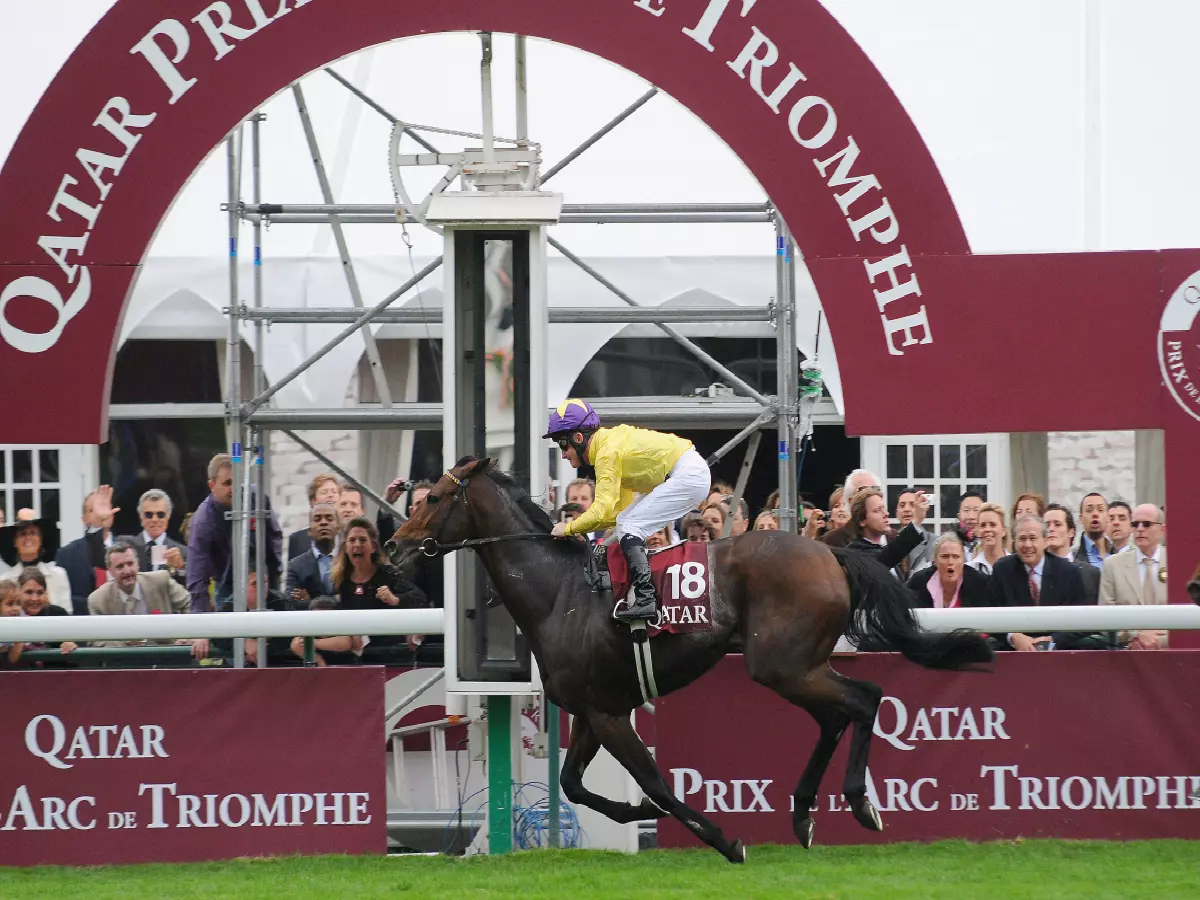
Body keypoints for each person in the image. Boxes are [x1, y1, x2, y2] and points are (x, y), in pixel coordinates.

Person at [545, 399, 711, 621]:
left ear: (578, 437)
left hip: (687, 474)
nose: (563, 454)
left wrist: (568, 528)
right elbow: (614, 515)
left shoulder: (606, 453)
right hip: (684, 472)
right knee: (626, 522)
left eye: (562, 444)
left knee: (632, 526)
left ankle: (646, 598)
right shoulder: (607, 447)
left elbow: (602, 511)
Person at [987, 515, 1089, 651]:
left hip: (1059, 655)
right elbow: (991, 615)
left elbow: (1082, 619)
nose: (1027, 545)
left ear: (1045, 541)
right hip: (1014, 654)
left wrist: (1053, 640)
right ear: (1014, 542)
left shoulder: (1068, 572)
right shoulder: (1002, 569)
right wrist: (1013, 636)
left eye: (1033, 538)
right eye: (1022, 539)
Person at [334, 517, 427, 651]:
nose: (357, 545)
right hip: (355, 656)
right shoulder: (342, 580)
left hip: (388, 652)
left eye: (363, 540)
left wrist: (395, 599)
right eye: (352, 540)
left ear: (373, 547)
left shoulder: (387, 574)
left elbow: (419, 597)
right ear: (345, 548)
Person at [1098, 503, 1168, 650]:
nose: (1140, 529)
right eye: (1135, 524)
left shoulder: (1177, 561)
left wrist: (1160, 641)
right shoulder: (1112, 565)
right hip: (1129, 654)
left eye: (1147, 524)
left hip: (1173, 653)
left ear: (1162, 529)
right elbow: (1105, 618)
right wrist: (1136, 634)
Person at [0, 509, 72, 612]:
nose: (28, 538)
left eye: (33, 533)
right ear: (15, 542)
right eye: (22, 534)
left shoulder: (58, 575)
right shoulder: (4, 579)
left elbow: (67, 614)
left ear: (41, 540)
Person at [907, 533, 990, 609]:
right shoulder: (918, 582)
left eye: (956, 557)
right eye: (945, 556)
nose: (950, 562)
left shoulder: (978, 582)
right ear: (935, 560)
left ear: (963, 560)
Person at [967, 503, 1009, 576]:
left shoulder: (1016, 566)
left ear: (1003, 530)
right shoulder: (969, 569)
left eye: (993, 524)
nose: (987, 529)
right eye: (983, 525)